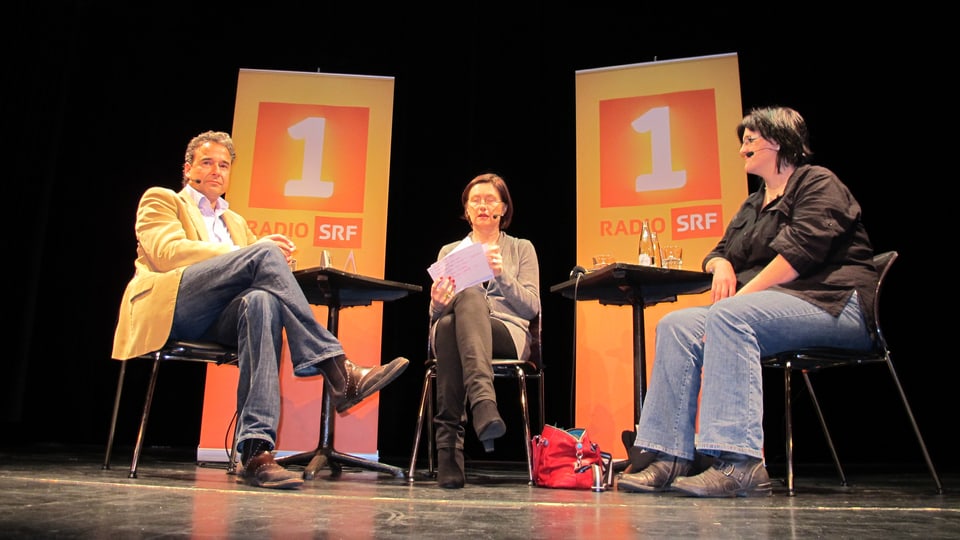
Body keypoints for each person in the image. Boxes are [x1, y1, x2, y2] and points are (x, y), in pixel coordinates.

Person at [111, 130, 409, 490]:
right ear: (188, 168)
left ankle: (255, 452)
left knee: (263, 302)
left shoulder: (234, 222)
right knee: (264, 255)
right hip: (174, 304)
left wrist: (273, 260)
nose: (217, 170)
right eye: (207, 162)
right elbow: (167, 253)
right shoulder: (162, 200)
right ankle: (336, 368)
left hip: (218, 319)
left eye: (224, 165)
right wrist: (256, 253)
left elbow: (254, 272)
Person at [617, 106, 879, 498]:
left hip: (835, 303)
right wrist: (721, 265)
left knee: (729, 316)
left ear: (777, 142)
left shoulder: (817, 182)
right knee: (676, 325)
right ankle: (669, 455)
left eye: (750, 141)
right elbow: (721, 251)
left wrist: (732, 303)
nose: (742, 151)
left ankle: (739, 463)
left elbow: (797, 258)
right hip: (771, 305)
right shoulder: (753, 204)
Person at [428, 173, 541, 489]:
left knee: (465, 306)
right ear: (466, 209)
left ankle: (449, 447)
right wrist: (436, 303)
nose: (481, 205)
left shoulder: (521, 248)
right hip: (452, 334)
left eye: (490, 199)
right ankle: (483, 405)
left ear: (503, 208)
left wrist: (502, 275)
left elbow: (531, 307)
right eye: (474, 200)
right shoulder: (449, 251)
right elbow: (435, 316)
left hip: (505, 334)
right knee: (453, 317)